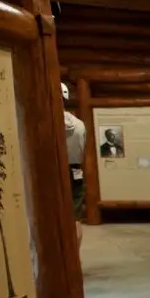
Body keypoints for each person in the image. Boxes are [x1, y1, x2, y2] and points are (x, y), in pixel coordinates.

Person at [62, 82, 86, 247]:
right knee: (75, 217)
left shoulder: (49, 123)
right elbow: (82, 147)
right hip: (76, 169)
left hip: (56, 171)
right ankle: (75, 257)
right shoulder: (79, 124)